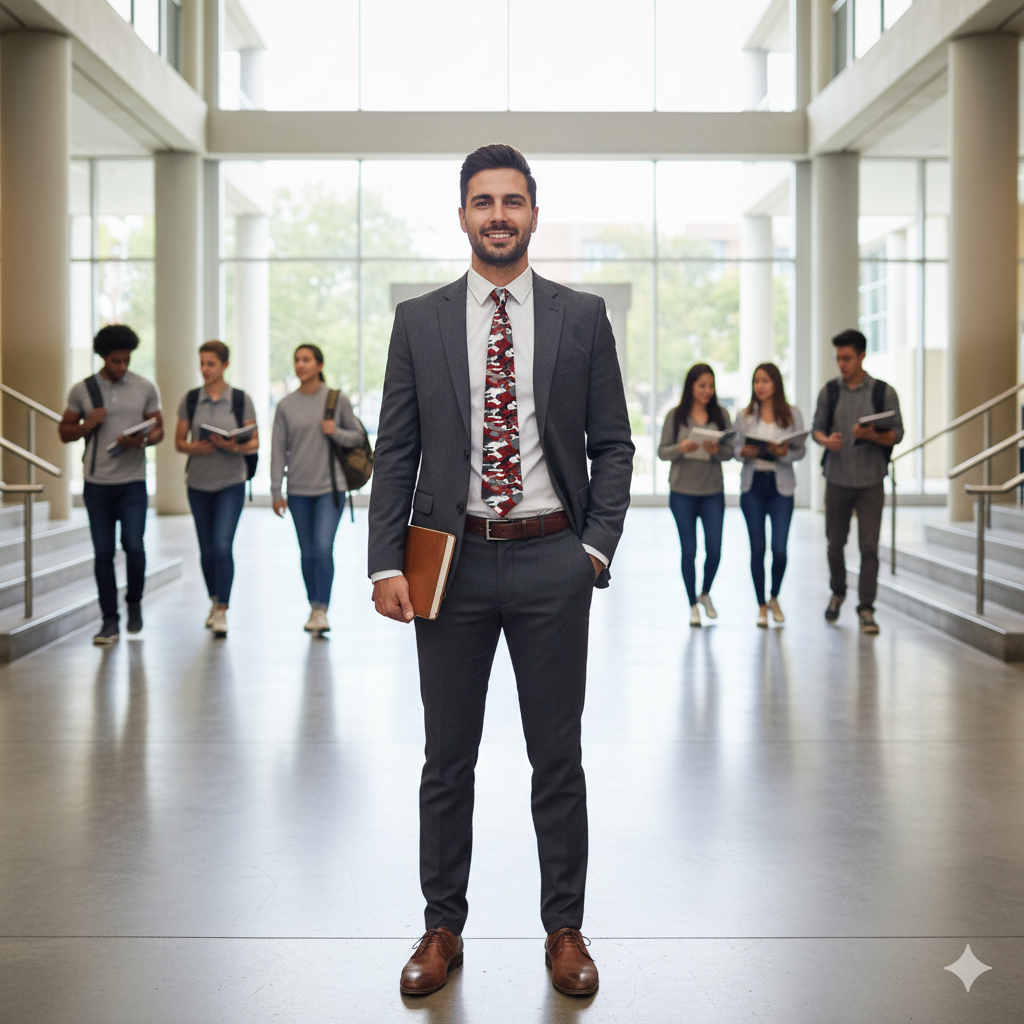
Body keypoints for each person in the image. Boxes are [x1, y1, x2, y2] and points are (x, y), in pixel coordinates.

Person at [368, 145, 633, 998]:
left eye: (512, 201)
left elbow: (613, 444)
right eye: (483, 201)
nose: (498, 215)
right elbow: (396, 451)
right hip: (450, 565)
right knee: (448, 758)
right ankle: (441, 925)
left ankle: (565, 929)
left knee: (557, 758)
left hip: (554, 558)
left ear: (533, 214)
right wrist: (385, 562)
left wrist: (593, 549)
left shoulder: (581, 316)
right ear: (461, 216)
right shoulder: (421, 321)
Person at [58, 324, 164, 645]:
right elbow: (64, 431)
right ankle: (109, 620)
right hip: (97, 484)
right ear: (103, 357)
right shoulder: (83, 390)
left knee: (133, 544)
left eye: (126, 360)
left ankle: (134, 602)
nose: (122, 366)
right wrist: (86, 425)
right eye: (116, 361)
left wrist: (141, 441)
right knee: (103, 553)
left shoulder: (145, 387)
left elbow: (159, 429)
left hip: (133, 482)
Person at [812, 328, 904, 634]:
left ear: (862, 356)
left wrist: (872, 435)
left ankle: (866, 608)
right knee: (834, 544)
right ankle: (838, 591)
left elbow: (897, 433)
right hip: (837, 478)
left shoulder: (883, 393)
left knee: (869, 547)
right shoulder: (829, 391)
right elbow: (816, 428)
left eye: (847, 358)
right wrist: (827, 441)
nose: (842, 364)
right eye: (838, 358)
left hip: (870, 481)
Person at [270, 343, 364, 635]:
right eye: (297, 360)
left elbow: (358, 436)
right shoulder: (285, 405)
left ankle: (321, 609)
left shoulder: (336, 400)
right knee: (307, 552)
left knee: (323, 548)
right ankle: (313, 605)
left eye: (307, 360)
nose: (301, 365)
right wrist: (276, 491)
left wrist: (336, 432)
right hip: (298, 490)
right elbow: (278, 450)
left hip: (330, 489)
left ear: (319, 365)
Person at [174, 341, 259, 638]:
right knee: (207, 549)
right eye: (202, 363)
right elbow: (179, 442)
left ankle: (222, 609)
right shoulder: (191, 399)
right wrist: (194, 448)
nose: (205, 369)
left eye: (210, 364)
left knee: (223, 545)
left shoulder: (239, 399)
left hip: (231, 482)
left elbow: (254, 441)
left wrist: (231, 445)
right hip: (198, 483)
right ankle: (213, 600)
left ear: (224, 365)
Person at [658, 363, 734, 627]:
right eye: (702, 385)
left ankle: (705, 593)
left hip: (712, 491)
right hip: (682, 492)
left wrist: (717, 450)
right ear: (691, 386)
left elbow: (730, 452)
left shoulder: (721, 414)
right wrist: (681, 447)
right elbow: (662, 452)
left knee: (714, 549)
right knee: (689, 549)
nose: (707, 390)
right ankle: (692, 604)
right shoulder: (675, 415)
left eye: (711, 386)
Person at [735, 363, 806, 627]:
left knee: (779, 549)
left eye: (765, 381)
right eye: (757, 381)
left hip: (781, 488)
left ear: (776, 383)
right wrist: (743, 453)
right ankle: (761, 605)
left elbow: (800, 450)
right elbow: (734, 449)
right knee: (757, 548)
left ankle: (774, 595)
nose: (760, 386)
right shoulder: (744, 416)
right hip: (753, 485)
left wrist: (783, 453)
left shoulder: (792, 414)